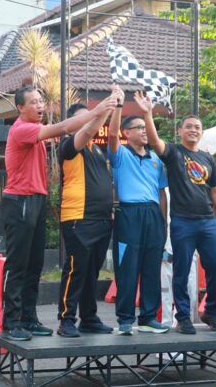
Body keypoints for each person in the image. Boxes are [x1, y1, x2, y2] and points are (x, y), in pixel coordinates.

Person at [1, 86, 118, 341]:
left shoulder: (36, 134)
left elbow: (87, 131)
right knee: (17, 264)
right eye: (33, 102)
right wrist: (98, 110)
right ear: (20, 108)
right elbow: (65, 128)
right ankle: (10, 323)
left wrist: (106, 111)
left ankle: (28, 319)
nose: (40, 106)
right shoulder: (22, 129)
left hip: (36, 199)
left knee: (34, 265)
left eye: (41, 101)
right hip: (19, 199)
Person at [136, 92, 216, 334]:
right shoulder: (174, 153)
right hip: (182, 222)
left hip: (208, 221)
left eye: (197, 127)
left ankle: (213, 312)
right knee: (182, 270)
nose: (193, 130)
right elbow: (155, 142)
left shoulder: (208, 158)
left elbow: (215, 191)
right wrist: (147, 113)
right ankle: (184, 317)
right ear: (180, 131)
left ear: (202, 132)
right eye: (189, 127)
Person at [56, 97, 119, 338]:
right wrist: (104, 108)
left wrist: (113, 108)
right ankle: (66, 319)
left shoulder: (98, 150)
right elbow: (89, 128)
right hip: (77, 218)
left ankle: (89, 318)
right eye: (84, 117)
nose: (90, 120)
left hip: (102, 220)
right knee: (76, 269)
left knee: (92, 271)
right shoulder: (69, 145)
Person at [108, 88, 169, 336]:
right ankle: (124, 320)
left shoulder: (157, 159)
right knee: (128, 267)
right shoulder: (120, 154)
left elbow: (162, 193)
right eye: (138, 127)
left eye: (146, 127)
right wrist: (119, 105)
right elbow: (111, 134)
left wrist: (163, 223)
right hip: (129, 214)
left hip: (153, 215)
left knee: (152, 267)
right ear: (127, 133)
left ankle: (147, 318)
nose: (144, 131)